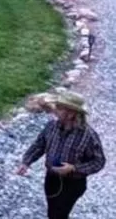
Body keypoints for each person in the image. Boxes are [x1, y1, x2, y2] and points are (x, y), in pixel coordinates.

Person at [16, 91, 106, 219]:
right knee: (52, 212)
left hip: (73, 183)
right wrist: (26, 162)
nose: (55, 110)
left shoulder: (88, 136)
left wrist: (74, 168)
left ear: (71, 113)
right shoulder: (51, 127)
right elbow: (39, 145)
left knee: (59, 214)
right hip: (51, 178)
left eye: (60, 108)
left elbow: (99, 162)